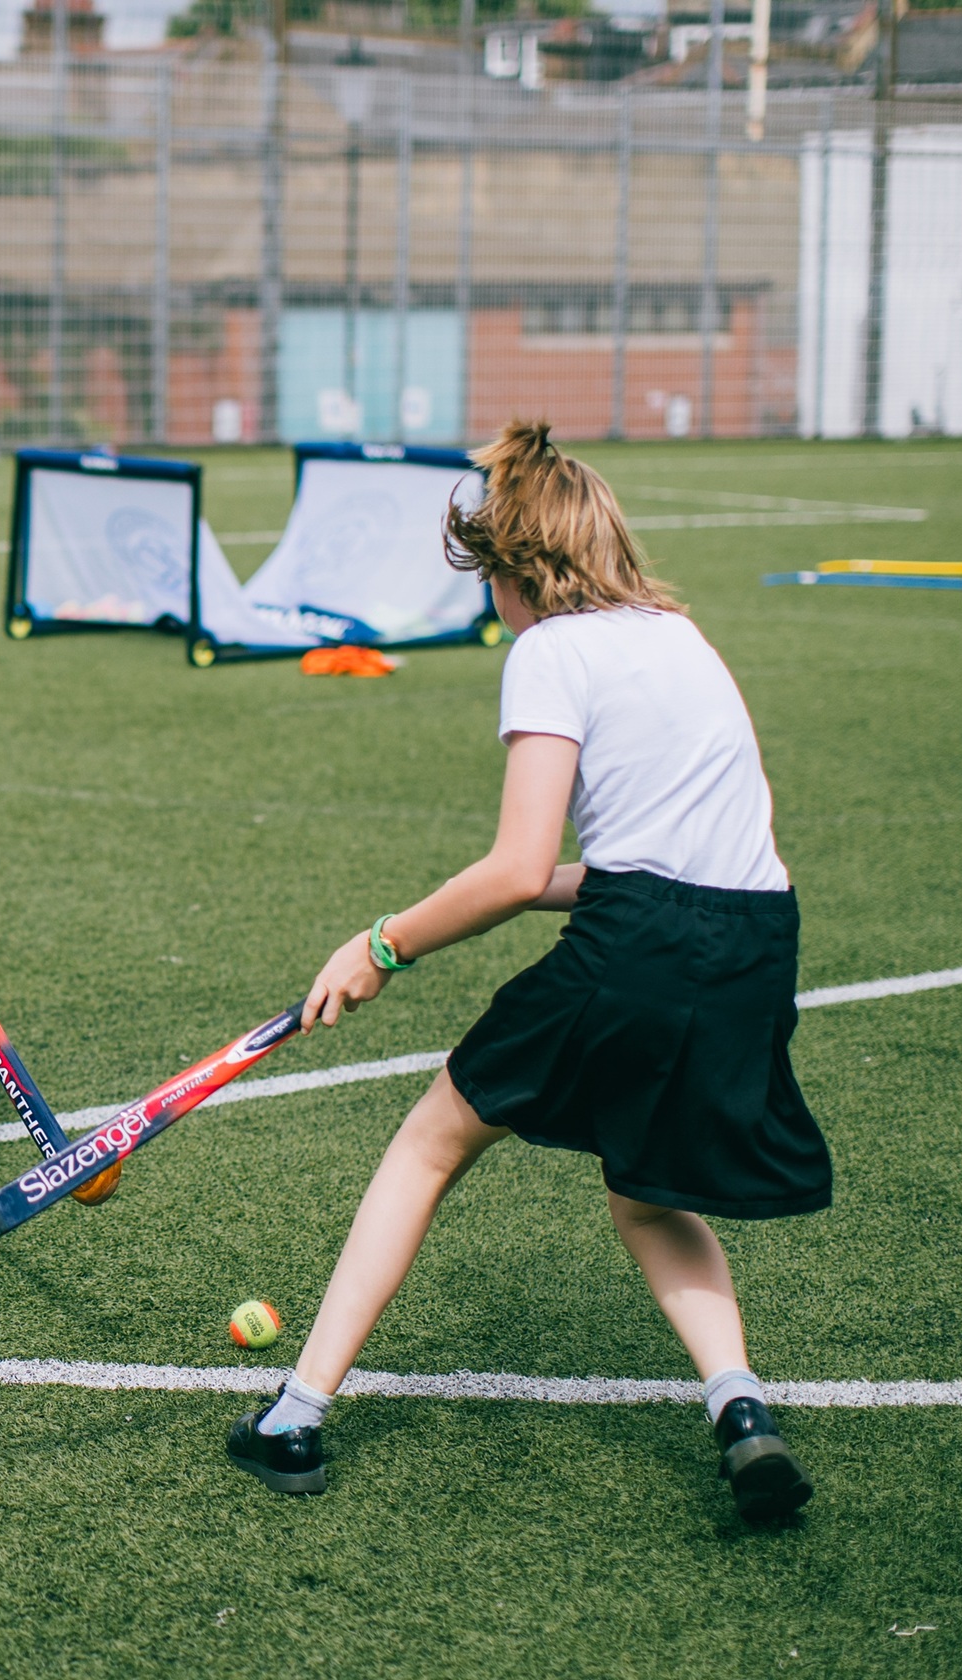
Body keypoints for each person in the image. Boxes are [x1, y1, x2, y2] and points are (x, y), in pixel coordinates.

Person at [224, 422, 826, 1523]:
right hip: (753, 942)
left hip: (641, 938)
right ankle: (740, 1409)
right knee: (647, 1197)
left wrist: (383, 944)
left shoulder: (550, 650)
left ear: (515, 569)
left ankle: (296, 1414)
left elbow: (511, 870)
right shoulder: (680, 636)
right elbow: (627, 860)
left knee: (429, 1145)